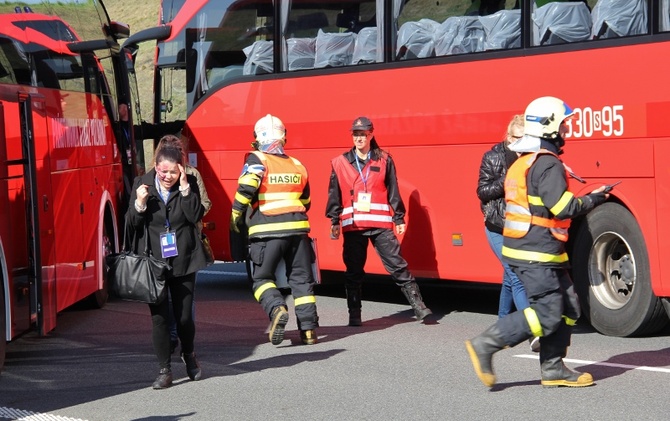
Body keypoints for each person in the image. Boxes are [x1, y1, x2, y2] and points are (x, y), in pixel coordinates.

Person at [465, 96, 610, 388]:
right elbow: (562, 207)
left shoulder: (528, 160)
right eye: (564, 125)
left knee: (568, 307)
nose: (566, 131)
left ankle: (553, 369)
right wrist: (594, 199)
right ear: (551, 127)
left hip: (540, 249)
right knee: (547, 313)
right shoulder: (547, 164)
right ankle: (486, 343)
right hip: (535, 252)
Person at [326, 116, 432, 326]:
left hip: (380, 225)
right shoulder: (340, 162)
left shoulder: (384, 159)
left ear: (371, 134)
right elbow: (334, 194)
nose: (359, 138)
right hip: (353, 225)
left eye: (363, 134)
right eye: (356, 134)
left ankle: (420, 308)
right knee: (353, 272)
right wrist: (334, 220)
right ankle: (354, 315)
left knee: (397, 266)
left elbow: (394, 189)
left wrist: (398, 216)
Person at [230, 114, 319, 346]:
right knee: (302, 280)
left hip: (267, 231)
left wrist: (236, 215)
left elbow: (247, 188)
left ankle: (276, 308)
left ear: (257, 137)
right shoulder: (297, 164)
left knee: (261, 279)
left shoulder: (256, 158)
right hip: (298, 231)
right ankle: (308, 332)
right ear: (283, 137)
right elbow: (307, 200)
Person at [127, 137, 209, 389]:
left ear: (181, 169)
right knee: (160, 318)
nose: (168, 176)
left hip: (184, 257)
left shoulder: (189, 183)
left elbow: (195, 215)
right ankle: (164, 370)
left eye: (174, 172)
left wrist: (185, 189)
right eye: (164, 171)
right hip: (154, 263)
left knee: (184, 318)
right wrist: (139, 205)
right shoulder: (141, 183)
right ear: (155, 166)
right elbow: (131, 225)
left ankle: (189, 355)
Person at [476, 115, 539, 352]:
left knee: (508, 276)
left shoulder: (532, 158)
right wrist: (508, 179)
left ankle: (502, 326)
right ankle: (532, 331)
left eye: (523, 138)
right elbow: (482, 191)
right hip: (497, 226)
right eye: (515, 137)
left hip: (521, 225)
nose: (518, 143)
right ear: (507, 136)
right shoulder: (492, 157)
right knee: (516, 274)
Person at [153, 134, 213, 354]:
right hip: (161, 244)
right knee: (164, 295)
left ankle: (183, 334)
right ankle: (170, 336)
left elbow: (206, 203)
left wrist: (193, 215)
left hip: (186, 241)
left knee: (186, 298)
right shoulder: (152, 176)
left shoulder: (191, 175)